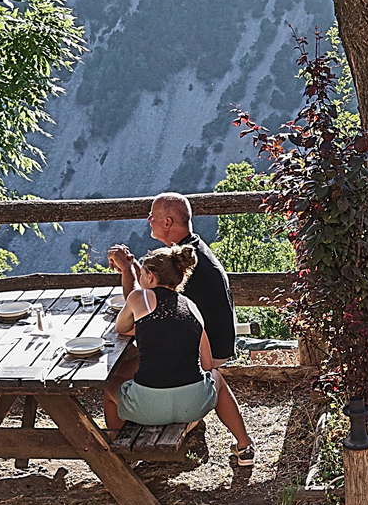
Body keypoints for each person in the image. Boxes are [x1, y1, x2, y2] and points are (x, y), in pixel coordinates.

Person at [107, 191, 244, 446]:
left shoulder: (191, 268)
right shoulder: (188, 254)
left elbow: (143, 309)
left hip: (209, 348)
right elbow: (152, 296)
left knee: (115, 372)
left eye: (153, 216)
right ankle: (242, 442)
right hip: (213, 341)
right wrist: (136, 267)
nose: (148, 219)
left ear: (167, 222)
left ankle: (128, 449)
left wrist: (128, 271)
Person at [104, 244, 255, 467]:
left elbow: (121, 327)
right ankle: (244, 446)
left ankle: (126, 455)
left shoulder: (139, 298)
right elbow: (205, 364)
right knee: (217, 377)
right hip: (193, 406)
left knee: (109, 385)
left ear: (150, 276)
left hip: (146, 407)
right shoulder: (192, 307)